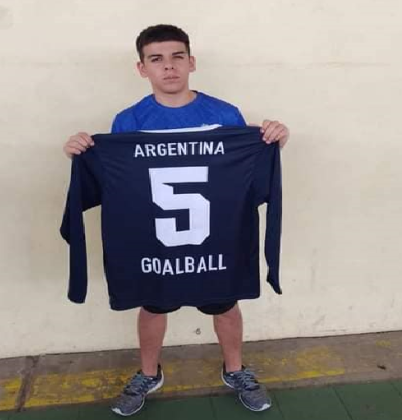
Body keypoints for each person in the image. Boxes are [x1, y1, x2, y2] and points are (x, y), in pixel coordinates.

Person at [62, 24, 290, 416]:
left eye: (176, 57)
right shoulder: (129, 121)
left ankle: (234, 369)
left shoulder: (224, 114)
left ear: (191, 62)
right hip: (155, 237)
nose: (168, 67)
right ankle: (149, 373)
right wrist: (82, 154)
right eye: (156, 59)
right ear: (142, 68)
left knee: (225, 304)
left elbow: (245, 172)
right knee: (152, 306)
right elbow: (117, 185)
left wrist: (273, 139)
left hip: (213, 234)